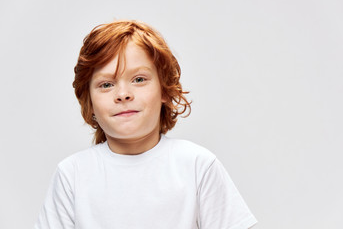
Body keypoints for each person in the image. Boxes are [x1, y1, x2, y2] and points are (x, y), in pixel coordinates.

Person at [35, 20, 257, 229]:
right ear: (89, 101)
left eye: (139, 79)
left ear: (164, 90)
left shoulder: (198, 166)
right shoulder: (72, 174)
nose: (123, 94)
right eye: (106, 84)